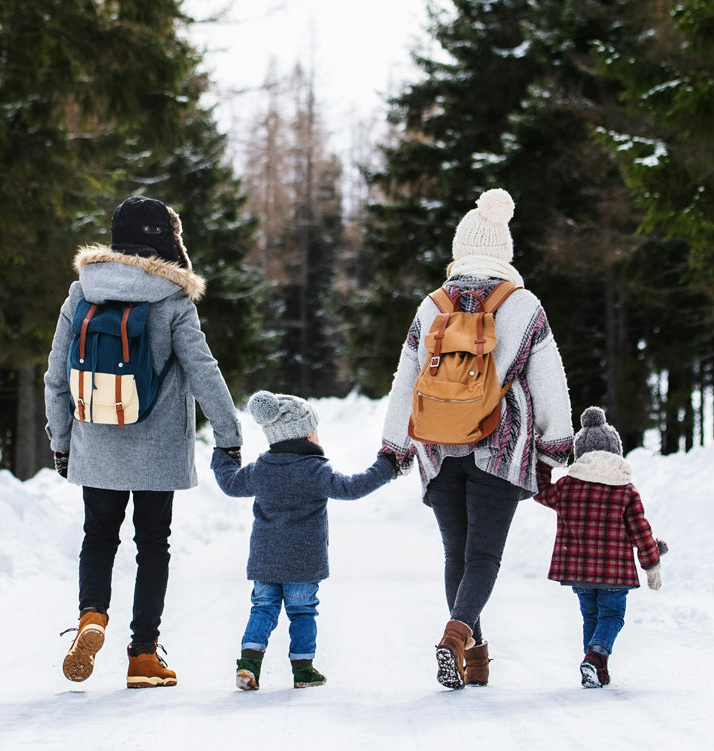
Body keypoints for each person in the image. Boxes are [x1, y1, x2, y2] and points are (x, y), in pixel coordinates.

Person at [379, 188, 574, 689]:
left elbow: (406, 378)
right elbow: (550, 380)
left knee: (456, 555)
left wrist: (395, 447)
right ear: (504, 253)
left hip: (439, 448)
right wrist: (556, 444)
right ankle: (458, 635)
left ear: (459, 250)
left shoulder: (432, 305)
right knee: (483, 556)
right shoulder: (524, 304)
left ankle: (475, 658)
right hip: (500, 449)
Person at [45, 195, 243, 688]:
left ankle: (92, 615)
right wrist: (229, 436)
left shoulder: (81, 292)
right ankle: (142, 656)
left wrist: (63, 441)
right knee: (153, 545)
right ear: (165, 241)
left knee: (98, 537)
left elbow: (54, 376)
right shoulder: (172, 300)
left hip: (96, 442)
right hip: (157, 449)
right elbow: (203, 372)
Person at [212, 391, 398, 690]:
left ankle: (248, 665)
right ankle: (303, 671)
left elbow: (231, 484)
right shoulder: (315, 470)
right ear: (304, 435)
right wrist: (386, 467)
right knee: (302, 612)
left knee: (262, 609)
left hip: (265, 561)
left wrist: (223, 457)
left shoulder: (262, 469)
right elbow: (351, 488)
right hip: (303, 562)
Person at [533, 407, 666, 688]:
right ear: (616, 452)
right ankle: (594, 658)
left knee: (591, 616)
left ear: (580, 454)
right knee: (613, 616)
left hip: (579, 571)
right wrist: (651, 563)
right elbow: (640, 531)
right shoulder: (625, 490)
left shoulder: (568, 486)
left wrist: (543, 459)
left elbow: (541, 491)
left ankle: (595, 668)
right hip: (614, 574)